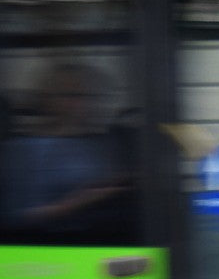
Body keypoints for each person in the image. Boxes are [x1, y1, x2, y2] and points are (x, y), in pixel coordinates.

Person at [1, 61, 131, 243]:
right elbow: (19, 216)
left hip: (105, 243)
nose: (81, 104)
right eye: (72, 96)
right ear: (49, 100)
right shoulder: (27, 149)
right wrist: (77, 202)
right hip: (51, 248)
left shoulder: (102, 145)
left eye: (88, 96)